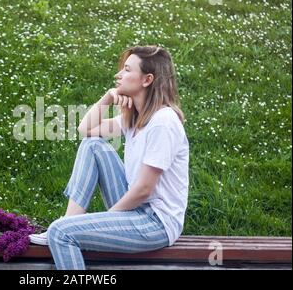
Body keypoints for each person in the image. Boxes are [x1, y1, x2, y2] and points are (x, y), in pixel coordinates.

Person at [29, 45, 189, 270]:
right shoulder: (135, 118)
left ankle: (67, 225)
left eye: (126, 70)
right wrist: (108, 97)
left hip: (156, 223)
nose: (118, 75)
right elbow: (85, 129)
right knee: (92, 145)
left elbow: (144, 189)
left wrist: (104, 220)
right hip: (136, 209)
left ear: (147, 79)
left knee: (61, 233)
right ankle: (70, 218)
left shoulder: (163, 122)